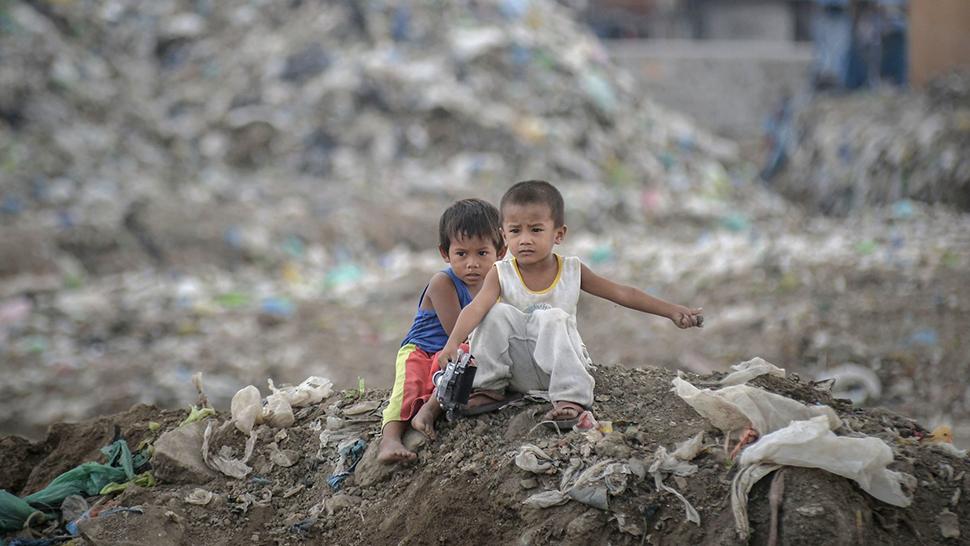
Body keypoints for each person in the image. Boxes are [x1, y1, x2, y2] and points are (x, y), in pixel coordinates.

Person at [440, 180, 703, 427]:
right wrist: (452, 343)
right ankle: (488, 388)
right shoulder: (500, 272)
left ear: (559, 234)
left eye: (536, 229)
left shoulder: (572, 270)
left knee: (550, 316)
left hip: (562, 368)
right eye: (515, 231)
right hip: (518, 373)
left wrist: (671, 311)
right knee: (493, 312)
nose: (525, 239)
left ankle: (571, 398)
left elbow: (622, 293)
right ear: (503, 235)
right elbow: (475, 309)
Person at [378, 198, 505, 462]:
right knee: (408, 389)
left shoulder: (498, 283)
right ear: (445, 253)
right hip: (423, 351)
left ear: (501, 251)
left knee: (476, 356)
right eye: (461, 254)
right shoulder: (443, 282)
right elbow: (457, 332)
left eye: (482, 253)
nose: (471, 263)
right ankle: (389, 441)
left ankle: (432, 408)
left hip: (457, 352)